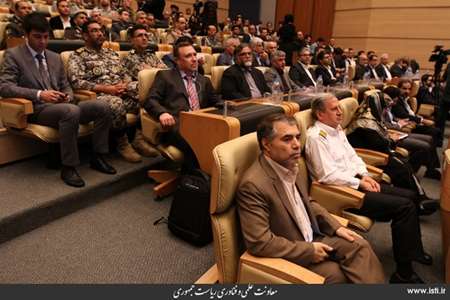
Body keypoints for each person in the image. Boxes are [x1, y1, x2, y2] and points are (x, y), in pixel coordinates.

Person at [237, 113, 385, 283]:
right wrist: (308, 251)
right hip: (292, 247)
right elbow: (259, 243)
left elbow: (307, 202)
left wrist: (335, 227)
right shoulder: (253, 185)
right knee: (337, 275)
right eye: (287, 139)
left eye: (298, 137)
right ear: (267, 145)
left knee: (359, 244)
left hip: (312, 234)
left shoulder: (292, 164)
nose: (296, 145)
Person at [305, 93, 433, 283]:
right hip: (340, 192)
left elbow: (353, 157)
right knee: (404, 207)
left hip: (356, 182)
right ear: (320, 114)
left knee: (411, 195)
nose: (340, 112)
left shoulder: (336, 129)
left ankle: (412, 250)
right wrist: (359, 182)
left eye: (339, 107)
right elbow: (327, 176)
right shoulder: (316, 137)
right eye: (334, 109)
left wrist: (364, 175)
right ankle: (403, 273)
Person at [0, 12, 115, 187]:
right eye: (37, 37)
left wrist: (67, 95)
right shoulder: (13, 55)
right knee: (71, 111)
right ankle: (68, 167)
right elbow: (5, 88)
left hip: (62, 105)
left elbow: (65, 84)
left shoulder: (54, 56)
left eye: (46, 37)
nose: (43, 42)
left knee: (102, 107)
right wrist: (40, 94)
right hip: (35, 108)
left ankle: (98, 156)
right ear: (26, 34)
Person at [68, 20, 150, 163]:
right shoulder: (77, 56)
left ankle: (139, 137)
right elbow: (76, 82)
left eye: (101, 30)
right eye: (94, 31)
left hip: (119, 90)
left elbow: (124, 73)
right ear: (85, 36)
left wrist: (124, 85)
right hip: (97, 97)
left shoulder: (111, 53)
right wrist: (107, 89)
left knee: (145, 92)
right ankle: (123, 143)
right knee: (116, 103)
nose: (100, 33)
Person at [143, 39, 221, 171]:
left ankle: (208, 174)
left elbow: (216, 101)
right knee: (198, 142)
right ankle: (197, 177)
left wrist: (229, 105)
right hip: (177, 125)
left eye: (194, 55)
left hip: (202, 122)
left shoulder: (204, 80)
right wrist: (162, 113)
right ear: (177, 61)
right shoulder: (165, 76)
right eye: (188, 56)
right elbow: (150, 100)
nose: (194, 59)